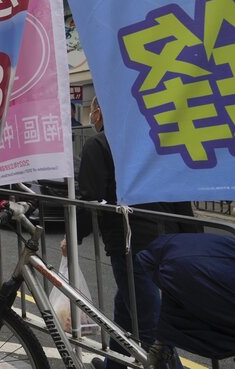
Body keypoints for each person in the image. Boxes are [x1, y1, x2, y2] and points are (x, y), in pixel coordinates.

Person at [74, 96, 201, 369]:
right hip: (168, 243)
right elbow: (181, 198)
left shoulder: (99, 144)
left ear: (102, 113)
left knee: (149, 327)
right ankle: (116, 365)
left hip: (131, 246)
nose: (93, 115)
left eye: (95, 110)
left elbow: (89, 200)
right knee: (127, 308)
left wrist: (73, 237)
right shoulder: (155, 145)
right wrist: (193, 241)